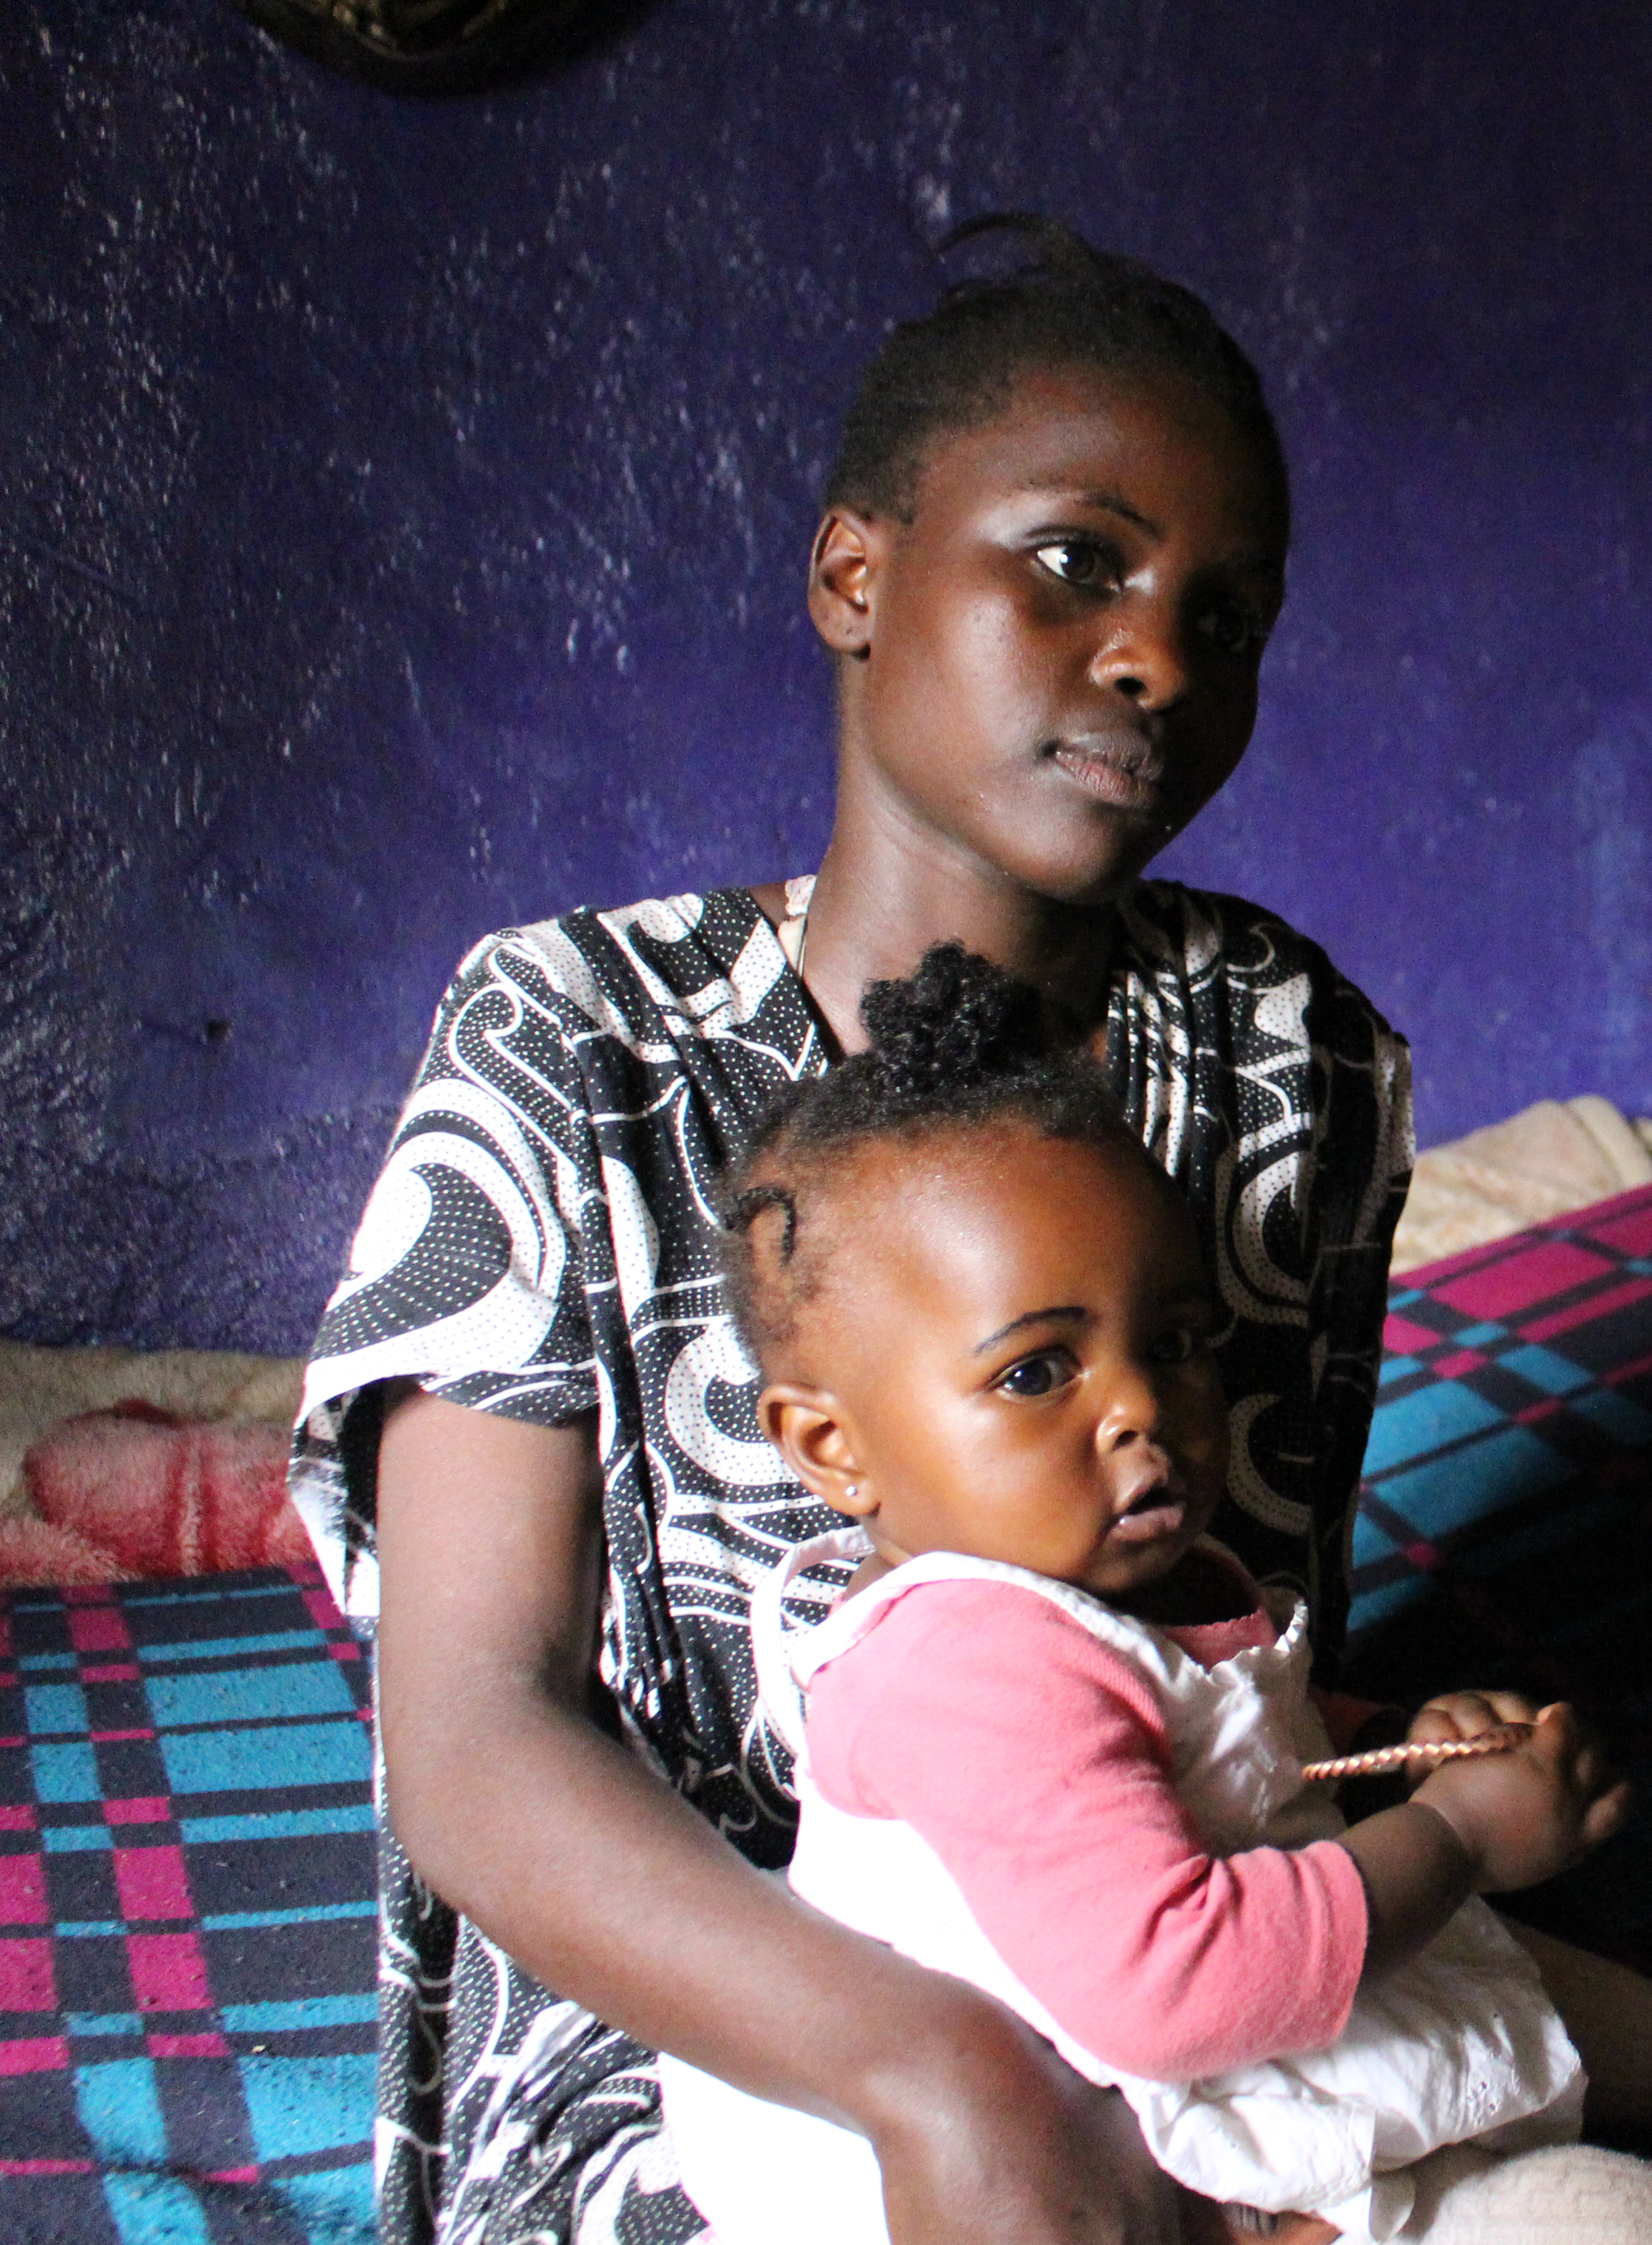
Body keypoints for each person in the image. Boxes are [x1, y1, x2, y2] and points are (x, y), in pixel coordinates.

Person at [289, 221, 1411, 2245]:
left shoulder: (1290, 1054)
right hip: (710, 1979)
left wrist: (1419, 1782)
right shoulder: (573, 1041)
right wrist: (937, 2067)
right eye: (1081, 559)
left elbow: (1231, 1632)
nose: (1161, 656)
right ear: (856, 573)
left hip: (1157, 1911)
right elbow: (472, 1739)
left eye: (1225, 614)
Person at [652, 942, 1652, 2245]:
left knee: (1499, 1977)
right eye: (1038, 1369)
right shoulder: (967, 1671)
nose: (1140, 1408)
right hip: (1137, 2147)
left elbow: (1226, 1750)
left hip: (1235, 2021)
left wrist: (1399, 1746)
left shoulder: (1096, 1562)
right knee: (1576, 2225)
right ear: (831, 1447)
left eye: (1178, 1341)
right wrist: (1458, 1837)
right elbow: (1172, 1985)